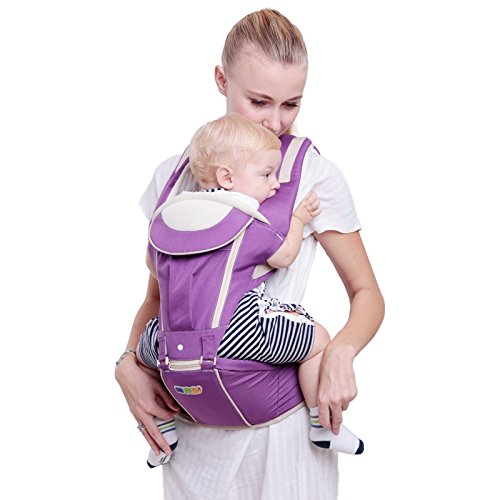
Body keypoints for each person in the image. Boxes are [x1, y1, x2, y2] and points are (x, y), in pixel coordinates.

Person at [115, 8, 384, 499]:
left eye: (291, 104)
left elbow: (366, 292)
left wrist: (341, 351)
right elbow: (158, 298)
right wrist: (128, 364)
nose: (275, 122)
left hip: (282, 439)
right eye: (258, 101)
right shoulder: (171, 177)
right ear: (222, 79)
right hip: (192, 435)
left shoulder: (312, 173)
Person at [135, 114, 364, 467]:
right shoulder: (245, 219)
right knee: (317, 340)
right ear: (227, 178)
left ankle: (162, 435)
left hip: (170, 344)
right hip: (236, 331)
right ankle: (322, 426)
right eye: (266, 174)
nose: (274, 184)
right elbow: (284, 256)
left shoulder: (170, 217)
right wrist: (298, 219)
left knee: (142, 350)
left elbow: (153, 267)